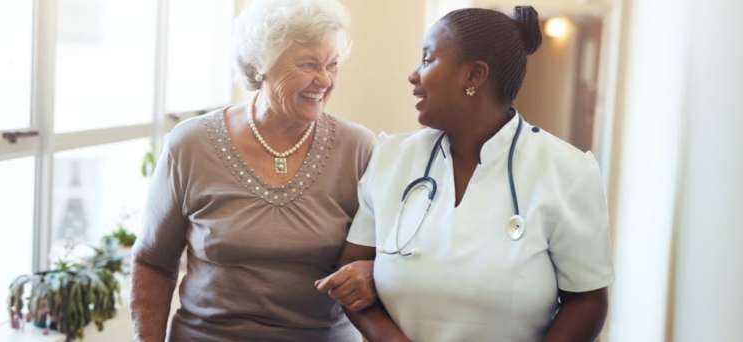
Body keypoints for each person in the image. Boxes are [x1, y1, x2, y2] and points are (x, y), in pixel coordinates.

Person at [317, 6, 614, 342]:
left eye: (428, 59)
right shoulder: (391, 159)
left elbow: (587, 302)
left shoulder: (567, 171)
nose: (414, 75)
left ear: (474, 76)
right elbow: (349, 281)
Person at [130, 1, 377, 341]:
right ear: (261, 65)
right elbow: (153, 262)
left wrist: (371, 272)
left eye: (332, 64)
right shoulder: (191, 145)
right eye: (308, 64)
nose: (324, 79)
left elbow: (386, 260)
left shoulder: (358, 148)